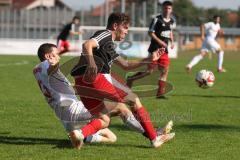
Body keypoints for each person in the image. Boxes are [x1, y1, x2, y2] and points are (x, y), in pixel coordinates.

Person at [33, 43, 173, 149]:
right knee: (120, 109)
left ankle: (81, 134)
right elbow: (52, 70)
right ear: (48, 56)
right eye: (56, 53)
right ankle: (154, 135)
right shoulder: (48, 66)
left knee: (111, 136)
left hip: (64, 118)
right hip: (73, 110)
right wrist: (53, 65)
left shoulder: (36, 70)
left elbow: (58, 84)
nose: (59, 56)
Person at [70, 12, 175, 149]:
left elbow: (125, 65)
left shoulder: (109, 46)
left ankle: (79, 134)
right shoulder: (106, 34)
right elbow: (87, 44)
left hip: (81, 83)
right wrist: (91, 63)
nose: (126, 32)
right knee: (134, 100)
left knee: (105, 119)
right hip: (96, 77)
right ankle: (154, 138)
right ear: (115, 26)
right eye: (125, 28)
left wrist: (149, 59)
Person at [126, 1, 175, 98]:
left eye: (169, 8)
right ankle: (131, 79)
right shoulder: (157, 19)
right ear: (162, 8)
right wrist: (160, 41)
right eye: (165, 8)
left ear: (171, 9)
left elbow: (170, 32)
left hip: (164, 51)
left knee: (165, 70)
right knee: (149, 72)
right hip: (154, 49)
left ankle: (160, 94)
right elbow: (150, 32)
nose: (167, 10)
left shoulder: (172, 21)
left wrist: (172, 41)